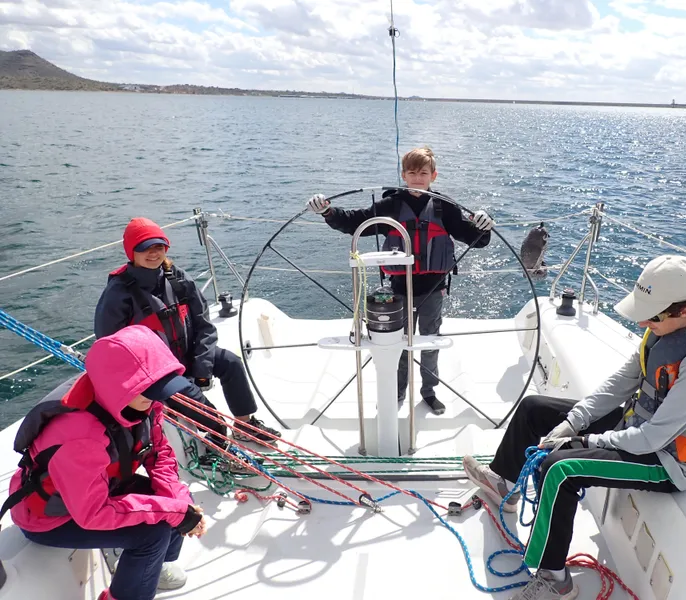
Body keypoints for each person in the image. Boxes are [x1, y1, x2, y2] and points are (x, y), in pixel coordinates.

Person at [462, 255, 686, 600]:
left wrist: (587, 440)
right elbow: (620, 384)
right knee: (534, 409)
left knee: (558, 470)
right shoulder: (664, 329)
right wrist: (572, 422)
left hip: (668, 461)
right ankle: (505, 485)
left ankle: (555, 579)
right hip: (638, 428)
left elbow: (652, 438)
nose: (643, 321)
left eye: (652, 315)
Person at [2, 325, 209, 600]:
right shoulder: (79, 436)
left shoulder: (141, 402)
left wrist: (180, 505)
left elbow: (159, 453)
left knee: (179, 502)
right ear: (121, 386)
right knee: (153, 534)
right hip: (53, 516)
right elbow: (93, 513)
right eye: (151, 391)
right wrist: (174, 513)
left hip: (101, 487)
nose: (157, 398)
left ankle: (153, 568)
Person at [307, 146, 495, 414]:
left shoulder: (445, 207)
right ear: (403, 175)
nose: (418, 178)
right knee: (398, 344)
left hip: (433, 290)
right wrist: (327, 211)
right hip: (398, 289)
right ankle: (397, 392)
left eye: (423, 173)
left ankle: (429, 392)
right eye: (412, 173)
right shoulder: (391, 205)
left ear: (433, 175)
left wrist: (483, 225)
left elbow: (475, 239)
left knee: (430, 342)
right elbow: (354, 222)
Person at [94, 217, 280, 445]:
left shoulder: (176, 277)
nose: (153, 253)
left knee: (231, 362)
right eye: (145, 248)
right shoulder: (118, 294)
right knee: (198, 403)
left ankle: (244, 424)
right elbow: (110, 346)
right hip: (156, 373)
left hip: (187, 354)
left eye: (159, 247)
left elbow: (204, 324)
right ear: (131, 252)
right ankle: (218, 438)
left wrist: (202, 366)